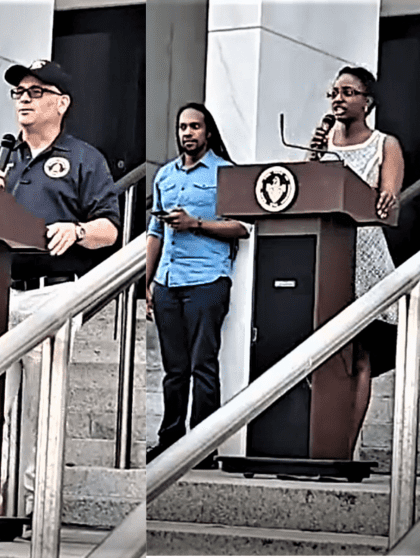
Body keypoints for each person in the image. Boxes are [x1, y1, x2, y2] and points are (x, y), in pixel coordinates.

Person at [0, 59, 120, 514]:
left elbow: (111, 229)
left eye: (36, 92)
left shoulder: (83, 158)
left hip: (50, 293)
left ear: (62, 102)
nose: (24, 100)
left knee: (40, 408)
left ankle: (39, 510)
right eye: (18, 92)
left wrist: (76, 231)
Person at [306, 66, 406, 457]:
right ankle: (320, 440)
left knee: (361, 353)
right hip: (326, 254)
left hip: (365, 256)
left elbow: (386, 201)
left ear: (368, 101)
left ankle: (345, 447)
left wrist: (382, 195)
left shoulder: (385, 144)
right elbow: (307, 192)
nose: (338, 99)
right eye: (334, 92)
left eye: (348, 92)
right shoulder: (322, 143)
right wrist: (315, 156)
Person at [145, 103, 249, 467]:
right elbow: (155, 233)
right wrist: (148, 282)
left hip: (207, 280)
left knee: (203, 364)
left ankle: (203, 447)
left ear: (208, 131)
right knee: (173, 369)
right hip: (167, 283)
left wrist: (196, 224)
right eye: (182, 127)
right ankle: (170, 440)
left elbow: (241, 227)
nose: (187, 133)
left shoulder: (227, 173)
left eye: (194, 127)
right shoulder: (165, 176)